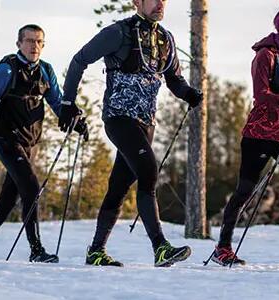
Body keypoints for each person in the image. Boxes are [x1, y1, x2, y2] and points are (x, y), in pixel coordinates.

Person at [61, 0, 203, 267]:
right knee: (148, 170)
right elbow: (79, 60)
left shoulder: (166, 39)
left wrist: (189, 94)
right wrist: (68, 103)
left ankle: (96, 251)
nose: (160, 3)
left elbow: (174, 79)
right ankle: (160, 247)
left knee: (118, 187)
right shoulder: (118, 33)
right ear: (137, 2)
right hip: (119, 118)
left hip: (146, 123)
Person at [0, 24, 85, 263]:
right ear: (19, 44)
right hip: (7, 140)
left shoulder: (46, 70)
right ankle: (36, 250)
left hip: (30, 145)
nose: (34, 46)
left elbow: (57, 103)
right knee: (31, 188)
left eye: (39, 42)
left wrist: (75, 119)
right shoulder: (7, 70)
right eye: (29, 41)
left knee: (8, 200)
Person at [210, 5, 279, 267]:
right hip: (259, 134)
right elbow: (261, 96)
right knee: (244, 192)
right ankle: (222, 248)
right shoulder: (265, 56)